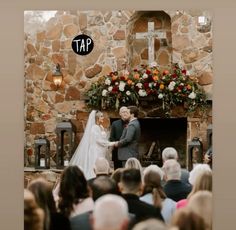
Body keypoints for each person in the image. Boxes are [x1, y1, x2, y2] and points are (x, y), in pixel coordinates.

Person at [69, 110, 116, 179]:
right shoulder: (94, 128)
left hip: (102, 150)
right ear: (97, 118)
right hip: (96, 150)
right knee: (95, 165)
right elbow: (99, 141)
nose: (103, 118)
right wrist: (112, 143)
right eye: (101, 116)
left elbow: (104, 139)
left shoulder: (101, 127)